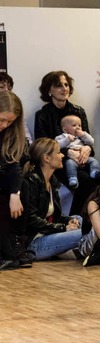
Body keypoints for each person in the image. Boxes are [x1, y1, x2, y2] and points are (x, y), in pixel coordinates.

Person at [34, 71, 97, 215]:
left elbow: (87, 139)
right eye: (58, 85)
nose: (64, 88)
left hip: (81, 158)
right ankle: (75, 221)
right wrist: (66, 152)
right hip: (56, 163)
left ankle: (80, 222)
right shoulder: (42, 114)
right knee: (86, 182)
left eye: (66, 84)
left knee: (99, 179)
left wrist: (87, 149)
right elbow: (41, 147)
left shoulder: (79, 111)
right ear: (49, 90)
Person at [20, 138, 83, 261]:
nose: (62, 155)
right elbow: (31, 219)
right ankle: (86, 250)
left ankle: (81, 249)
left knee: (79, 219)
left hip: (48, 233)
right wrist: (63, 228)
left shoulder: (52, 182)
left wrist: (69, 221)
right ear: (46, 158)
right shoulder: (31, 181)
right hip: (34, 242)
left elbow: (56, 216)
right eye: (59, 152)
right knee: (86, 232)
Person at [0, 90, 31, 271]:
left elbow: (14, 166)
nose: (5, 125)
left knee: (23, 186)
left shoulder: (11, 133)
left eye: (10, 122)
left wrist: (15, 194)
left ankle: (17, 244)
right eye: (2, 120)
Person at [55, 115, 100, 188]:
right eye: (74, 125)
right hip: (72, 159)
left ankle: (95, 172)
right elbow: (57, 145)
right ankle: (73, 178)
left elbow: (91, 142)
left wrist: (83, 134)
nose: (78, 127)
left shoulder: (81, 136)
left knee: (93, 161)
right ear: (65, 129)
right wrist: (67, 140)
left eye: (79, 125)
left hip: (84, 157)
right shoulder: (62, 137)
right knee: (69, 163)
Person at [0, 73, 33, 144]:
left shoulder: (15, 111)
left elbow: (28, 144)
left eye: (9, 88)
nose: (6, 90)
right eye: (1, 87)